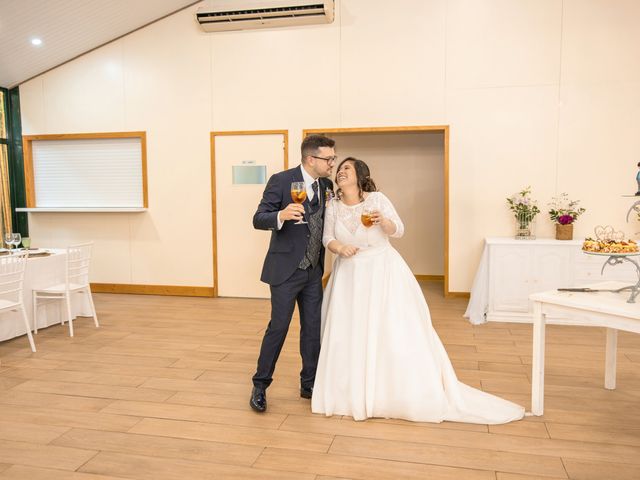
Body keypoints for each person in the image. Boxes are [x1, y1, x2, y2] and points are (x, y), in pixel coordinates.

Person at [311, 157, 524, 424]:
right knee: (349, 331)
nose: (341, 172)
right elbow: (327, 237)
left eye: (347, 168)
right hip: (348, 275)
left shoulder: (377, 199)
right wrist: (339, 248)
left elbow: (398, 230)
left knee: (390, 329)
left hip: (381, 270)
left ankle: (394, 391)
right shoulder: (333, 205)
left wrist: (384, 223)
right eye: (339, 169)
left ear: (360, 176)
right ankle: (349, 392)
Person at [250, 134, 336, 413]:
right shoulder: (281, 180)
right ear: (311, 159)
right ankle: (260, 385)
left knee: (313, 330)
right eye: (329, 159)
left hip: (313, 272)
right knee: (279, 327)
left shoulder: (326, 185)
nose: (332, 163)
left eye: (333, 158)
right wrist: (281, 216)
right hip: (285, 271)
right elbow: (258, 218)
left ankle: (309, 383)